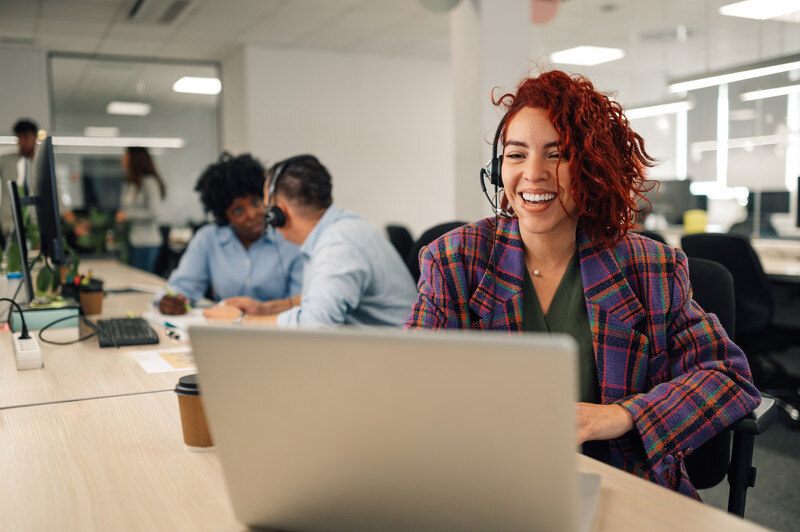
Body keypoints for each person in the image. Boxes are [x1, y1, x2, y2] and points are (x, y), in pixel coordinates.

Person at [404, 70, 760, 499]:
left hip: (622, 487)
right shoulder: (455, 260)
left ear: (591, 167)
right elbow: (414, 388)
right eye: (516, 155)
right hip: (492, 487)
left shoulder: (651, 267)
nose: (532, 174)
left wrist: (622, 416)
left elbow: (727, 375)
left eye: (556, 154)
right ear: (499, 172)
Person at [218, 154, 417, 327]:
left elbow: (315, 324)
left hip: (395, 361)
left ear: (278, 212)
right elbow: (318, 300)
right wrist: (263, 309)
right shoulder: (338, 228)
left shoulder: (338, 244)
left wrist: (239, 322)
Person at [157, 153, 304, 315]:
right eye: (238, 211)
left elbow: (303, 301)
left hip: (277, 329)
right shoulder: (208, 239)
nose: (252, 214)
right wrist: (173, 299)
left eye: (256, 202)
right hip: (226, 328)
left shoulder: (289, 239)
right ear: (223, 215)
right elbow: (182, 285)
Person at [116, 147, 166, 273]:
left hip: (146, 242)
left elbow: (154, 213)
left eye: (125, 157)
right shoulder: (128, 183)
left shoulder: (150, 182)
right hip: (130, 240)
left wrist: (127, 215)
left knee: (142, 279)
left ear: (134, 159)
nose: (122, 160)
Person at [0, 119, 38, 236]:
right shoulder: (5, 161)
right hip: (9, 224)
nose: (22, 143)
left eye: (26, 137)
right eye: (19, 138)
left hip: (36, 225)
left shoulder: (42, 164)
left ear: (35, 137)